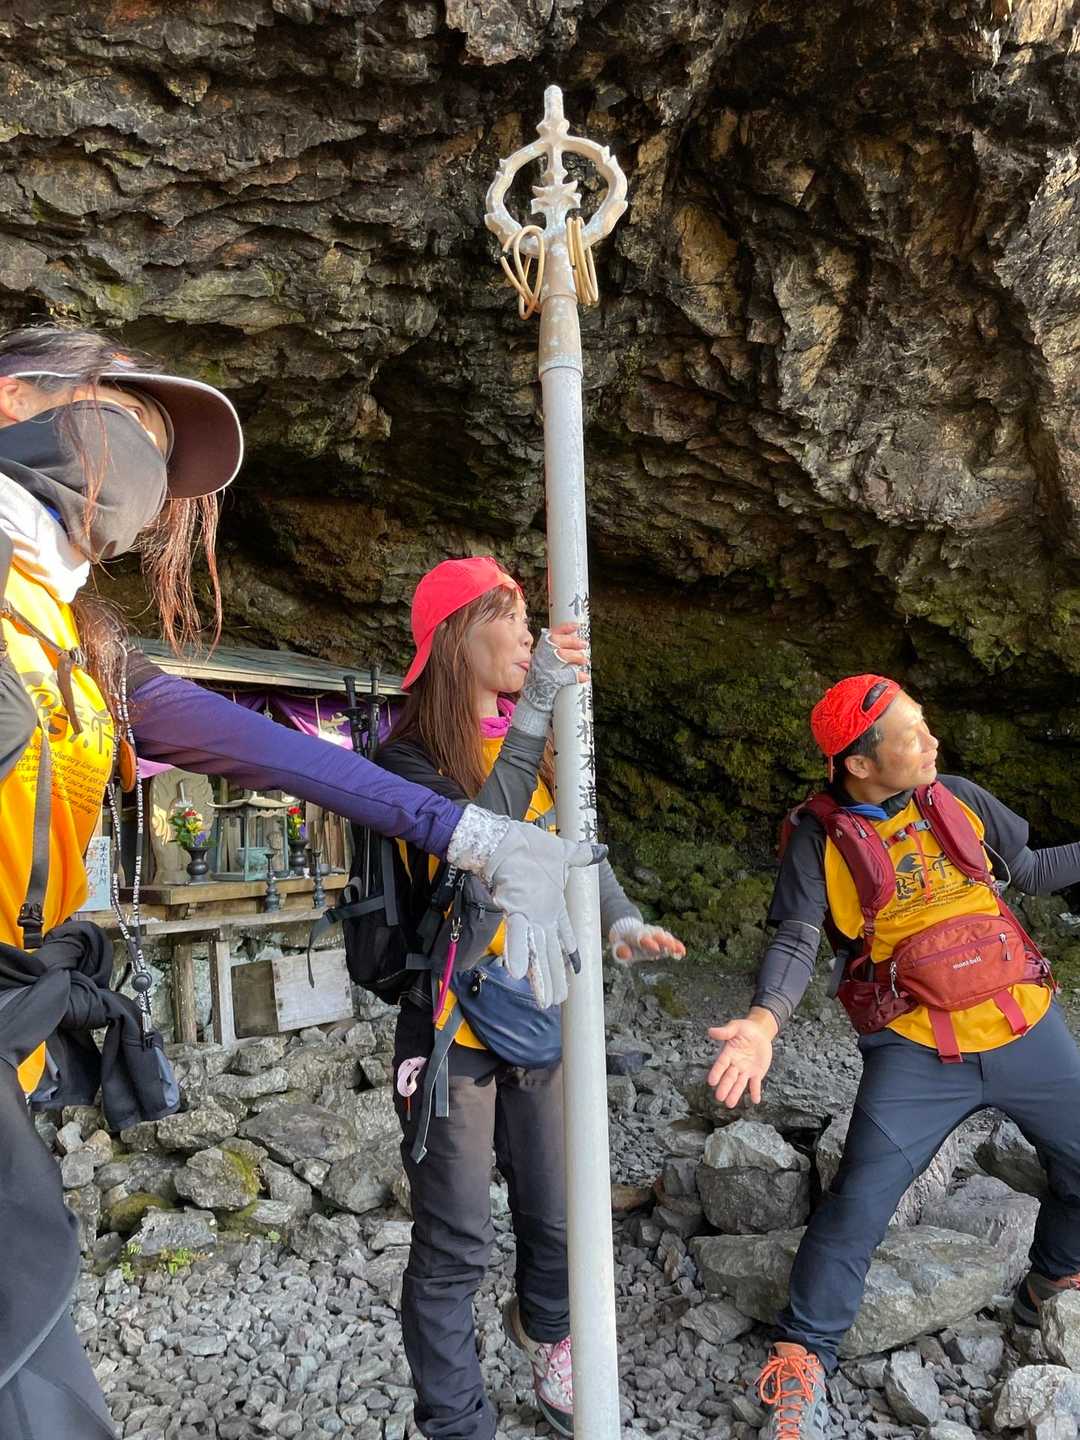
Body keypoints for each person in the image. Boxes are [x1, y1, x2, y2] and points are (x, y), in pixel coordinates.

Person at [0, 324, 603, 1437]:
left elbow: (278, 755)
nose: (144, 474)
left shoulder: (82, 643)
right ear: (14, 399)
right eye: (127, 420)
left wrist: (480, 840)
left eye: (160, 458)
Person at [707, 673, 1080, 1439]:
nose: (932, 741)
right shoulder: (818, 838)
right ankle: (802, 1357)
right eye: (912, 735)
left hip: (1023, 1020)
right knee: (858, 1206)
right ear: (860, 763)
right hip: (917, 1048)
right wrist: (764, 1023)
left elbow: (1034, 871)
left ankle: (1047, 1283)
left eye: (924, 724)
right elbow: (797, 939)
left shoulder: (959, 798)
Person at [377, 557, 685, 1440]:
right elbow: (488, 838)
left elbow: (569, 847)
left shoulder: (537, 747)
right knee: (455, 1239)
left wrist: (621, 921)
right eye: (508, 618)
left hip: (538, 1012)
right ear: (455, 638)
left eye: (524, 618)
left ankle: (549, 1339)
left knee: (557, 1212)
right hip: (450, 1027)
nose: (527, 636)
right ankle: (456, 1420)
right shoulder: (406, 759)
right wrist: (538, 709)